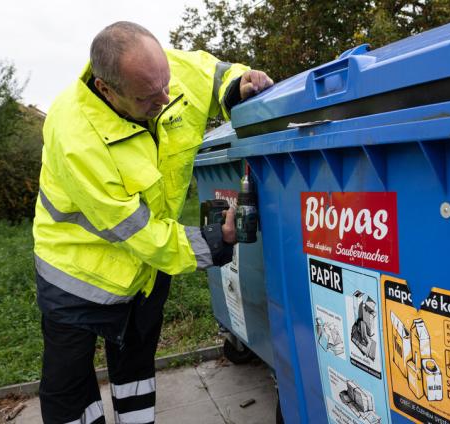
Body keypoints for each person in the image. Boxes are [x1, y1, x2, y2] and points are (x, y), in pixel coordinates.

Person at [32, 21, 273, 424]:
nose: (166, 98)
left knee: (136, 369)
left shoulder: (165, 75)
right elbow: (134, 229)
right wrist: (213, 242)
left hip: (147, 268)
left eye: (165, 83)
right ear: (106, 90)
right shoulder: (74, 134)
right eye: (148, 97)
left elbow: (216, 76)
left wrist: (238, 86)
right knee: (68, 386)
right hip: (75, 274)